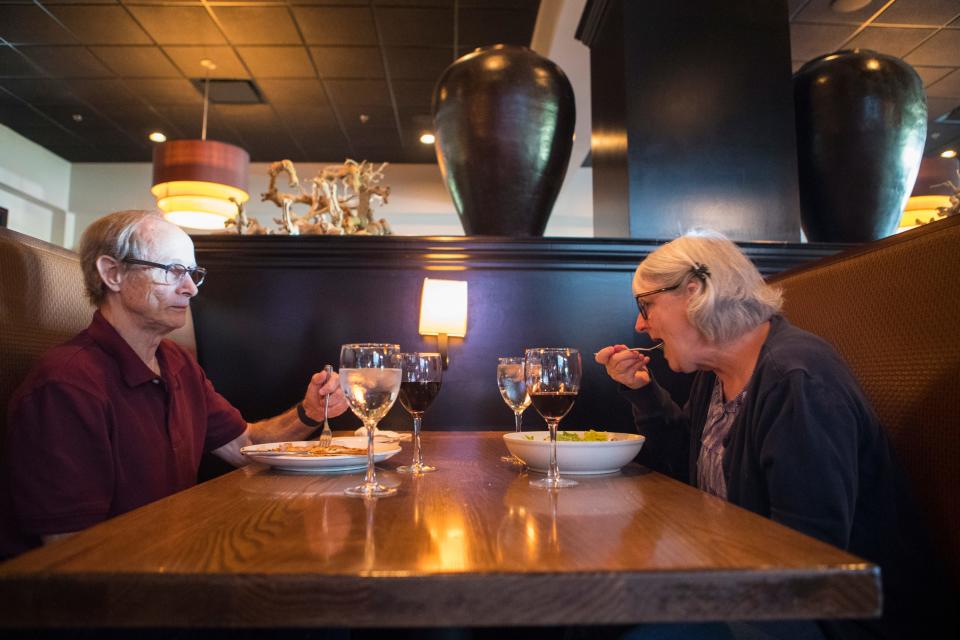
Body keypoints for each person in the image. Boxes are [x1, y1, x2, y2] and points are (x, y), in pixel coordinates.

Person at [595, 230, 948, 640]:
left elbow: (804, 558)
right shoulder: (718, 373)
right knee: (591, 616)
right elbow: (683, 463)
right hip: (755, 586)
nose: (641, 323)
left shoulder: (796, 381)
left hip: (835, 616)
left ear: (694, 293)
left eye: (646, 304)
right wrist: (644, 391)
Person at [1, 210, 349, 559]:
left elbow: (245, 445)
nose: (191, 287)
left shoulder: (176, 361)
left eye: (193, 273)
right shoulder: (67, 385)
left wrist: (308, 412)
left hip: (168, 560)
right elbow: (72, 551)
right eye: (173, 271)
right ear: (112, 273)